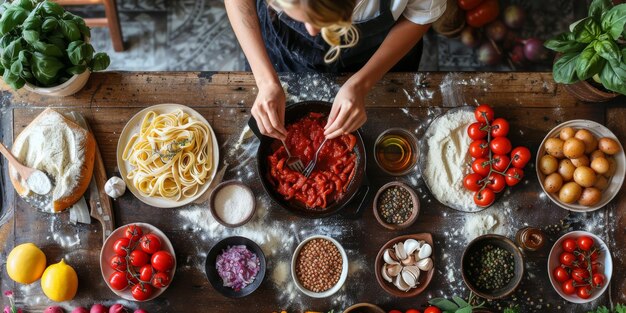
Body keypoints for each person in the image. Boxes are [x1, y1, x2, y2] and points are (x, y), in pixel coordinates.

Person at [225, 0, 446, 140]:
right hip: (280, 50)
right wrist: (266, 81)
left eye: (320, 19)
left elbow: (420, 16)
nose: (311, 31)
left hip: (379, 55)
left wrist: (362, 83)